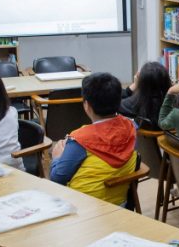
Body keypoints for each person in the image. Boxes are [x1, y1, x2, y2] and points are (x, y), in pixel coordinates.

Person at [49, 72, 139, 205]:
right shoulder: (131, 127)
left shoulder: (80, 141)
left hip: (84, 207)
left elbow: (57, 178)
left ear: (87, 105)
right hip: (120, 204)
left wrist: (56, 158)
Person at [120, 61, 173, 128]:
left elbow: (115, 105)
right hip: (168, 137)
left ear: (142, 83)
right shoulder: (174, 100)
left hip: (143, 137)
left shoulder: (135, 102)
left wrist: (135, 85)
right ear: (167, 81)